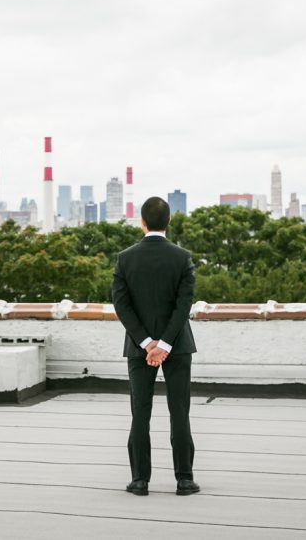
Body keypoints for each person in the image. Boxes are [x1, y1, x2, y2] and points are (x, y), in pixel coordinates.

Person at [111, 196, 198, 496]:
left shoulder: (125, 258)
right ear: (168, 222)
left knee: (140, 412)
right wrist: (166, 343)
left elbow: (121, 306)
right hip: (178, 346)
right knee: (179, 411)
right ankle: (184, 479)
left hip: (138, 348)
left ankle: (139, 480)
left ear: (142, 222)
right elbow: (183, 305)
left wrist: (147, 343)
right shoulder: (182, 257)